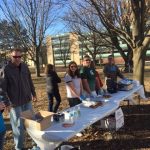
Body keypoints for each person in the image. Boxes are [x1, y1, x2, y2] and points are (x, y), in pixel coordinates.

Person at [3, 49, 37, 150]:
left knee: (31, 123)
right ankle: (19, 147)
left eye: (19, 57)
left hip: (26, 101)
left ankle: (35, 145)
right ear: (11, 57)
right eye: (15, 57)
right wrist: (6, 102)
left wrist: (33, 93)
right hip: (15, 103)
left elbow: (29, 81)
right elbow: (2, 88)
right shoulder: (6, 69)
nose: (17, 59)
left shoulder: (25, 67)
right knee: (18, 127)